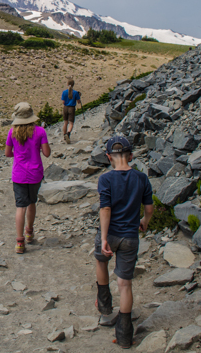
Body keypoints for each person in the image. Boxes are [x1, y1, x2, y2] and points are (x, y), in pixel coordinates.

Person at [94, 136, 154, 348]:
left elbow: (105, 208)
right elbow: (148, 208)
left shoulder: (106, 179)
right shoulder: (141, 178)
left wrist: (103, 238)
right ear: (130, 155)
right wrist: (144, 221)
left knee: (101, 261)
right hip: (130, 235)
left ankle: (104, 305)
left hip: (109, 233)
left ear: (109, 156)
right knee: (125, 283)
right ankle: (125, 336)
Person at [5, 102, 51, 254]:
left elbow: (7, 153)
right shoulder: (40, 131)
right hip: (35, 173)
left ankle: (19, 242)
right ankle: (29, 232)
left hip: (18, 174)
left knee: (20, 206)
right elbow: (46, 153)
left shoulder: (12, 133)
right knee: (32, 202)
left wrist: (17, 155)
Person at [61, 78, 82, 144]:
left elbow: (63, 102)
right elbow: (78, 102)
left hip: (65, 108)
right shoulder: (75, 93)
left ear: (67, 84)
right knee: (71, 123)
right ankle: (68, 133)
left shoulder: (64, 92)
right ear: (73, 85)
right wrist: (79, 97)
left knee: (65, 123)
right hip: (72, 108)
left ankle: (64, 135)